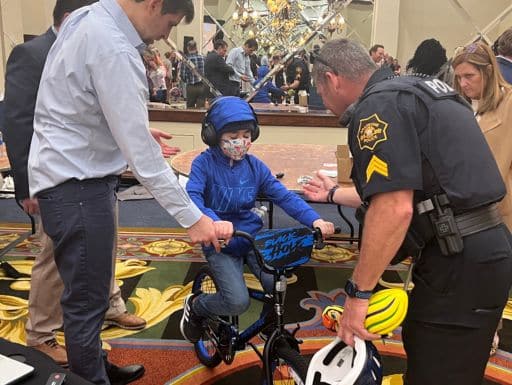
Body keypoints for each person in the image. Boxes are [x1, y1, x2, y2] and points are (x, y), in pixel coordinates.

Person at [27, 0, 220, 384]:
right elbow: (146, 163)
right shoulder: (115, 47)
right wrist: (193, 218)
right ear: (153, 3)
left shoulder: (87, 15)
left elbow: (73, 100)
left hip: (66, 180)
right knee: (86, 302)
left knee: (88, 294)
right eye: (170, 22)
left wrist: (129, 127)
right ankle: (90, 379)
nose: (167, 35)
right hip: (79, 188)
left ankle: (94, 366)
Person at [304, 38, 512, 385]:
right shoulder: (423, 91)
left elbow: (394, 208)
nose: (324, 103)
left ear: (332, 79)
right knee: (452, 364)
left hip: (458, 261)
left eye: (320, 92)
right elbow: (420, 190)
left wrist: (358, 296)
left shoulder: (376, 108)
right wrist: (336, 193)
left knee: (437, 369)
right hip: (482, 248)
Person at [3, 0, 151, 373]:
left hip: (95, 178)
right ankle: (42, 336)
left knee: (95, 263)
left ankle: (96, 347)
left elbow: (97, 112)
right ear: (74, 18)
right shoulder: (32, 53)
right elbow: (18, 123)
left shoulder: (90, 46)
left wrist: (137, 135)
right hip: (58, 183)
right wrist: (27, 186)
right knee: (57, 263)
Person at [179, 96, 335, 343]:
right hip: (220, 243)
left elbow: (284, 196)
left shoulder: (254, 166)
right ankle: (197, 308)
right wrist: (212, 219)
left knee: (278, 286)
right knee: (237, 301)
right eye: (232, 135)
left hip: (251, 238)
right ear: (213, 135)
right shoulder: (203, 164)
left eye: (245, 134)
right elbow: (192, 197)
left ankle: (267, 324)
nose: (240, 141)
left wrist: (315, 220)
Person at [452, 41, 512, 355]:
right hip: (466, 209)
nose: (463, 84)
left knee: (492, 282)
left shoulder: (511, 103)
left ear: (488, 72)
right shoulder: (463, 106)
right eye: (459, 77)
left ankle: (490, 335)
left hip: (501, 212)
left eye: (469, 76)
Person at [180, 40, 206, 108]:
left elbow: (182, 75)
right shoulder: (203, 58)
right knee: (201, 108)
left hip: (191, 86)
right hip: (202, 86)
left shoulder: (185, 60)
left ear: (188, 48)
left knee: (190, 108)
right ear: (196, 47)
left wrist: (186, 80)